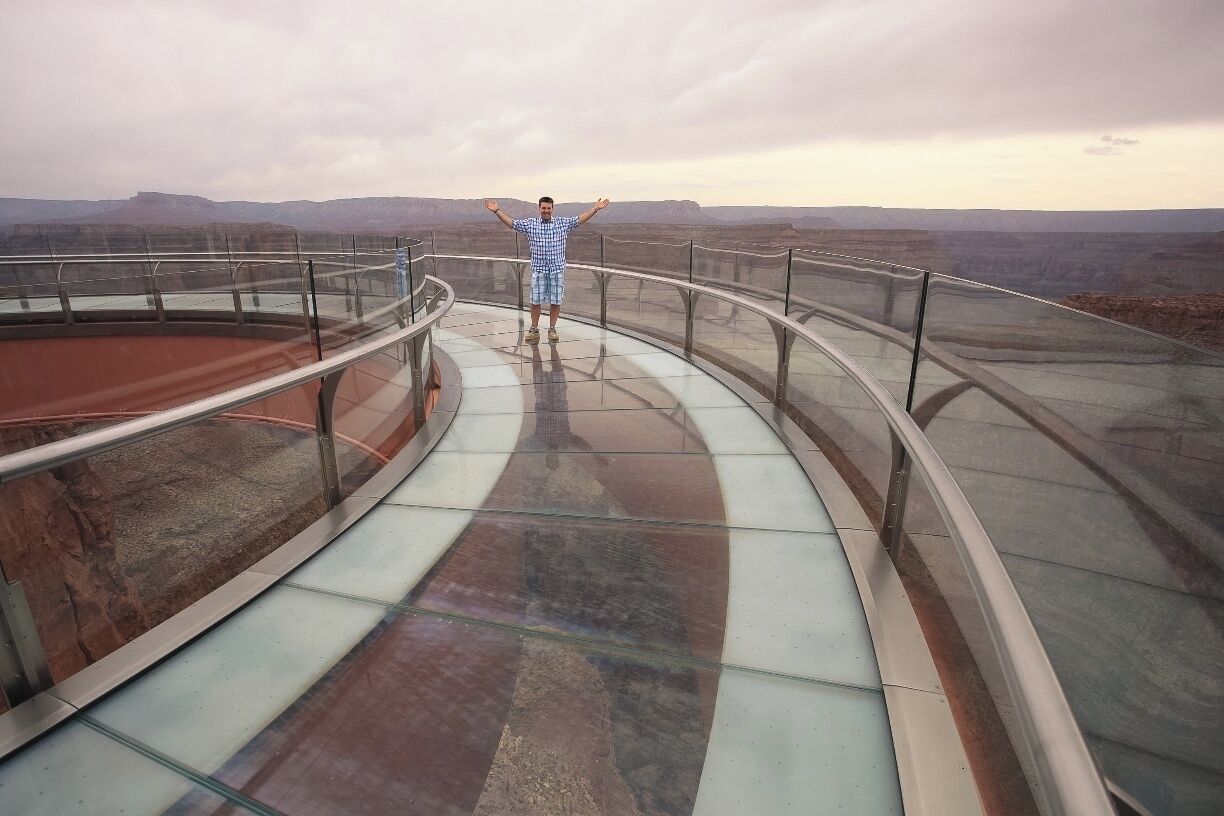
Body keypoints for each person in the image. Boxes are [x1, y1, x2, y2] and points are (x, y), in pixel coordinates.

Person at [485, 196, 609, 343]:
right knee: (535, 301)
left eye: (548, 208)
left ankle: (552, 329)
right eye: (543, 208)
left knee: (556, 301)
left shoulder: (562, 223)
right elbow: (512, 223)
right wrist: (497, 211)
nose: (546, 211)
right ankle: (534, 329)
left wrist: (595, 209)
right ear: (539, 208)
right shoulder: (531, 224)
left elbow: (579, 220)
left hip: (556, 270)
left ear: (552, 209)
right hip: (539, 270)